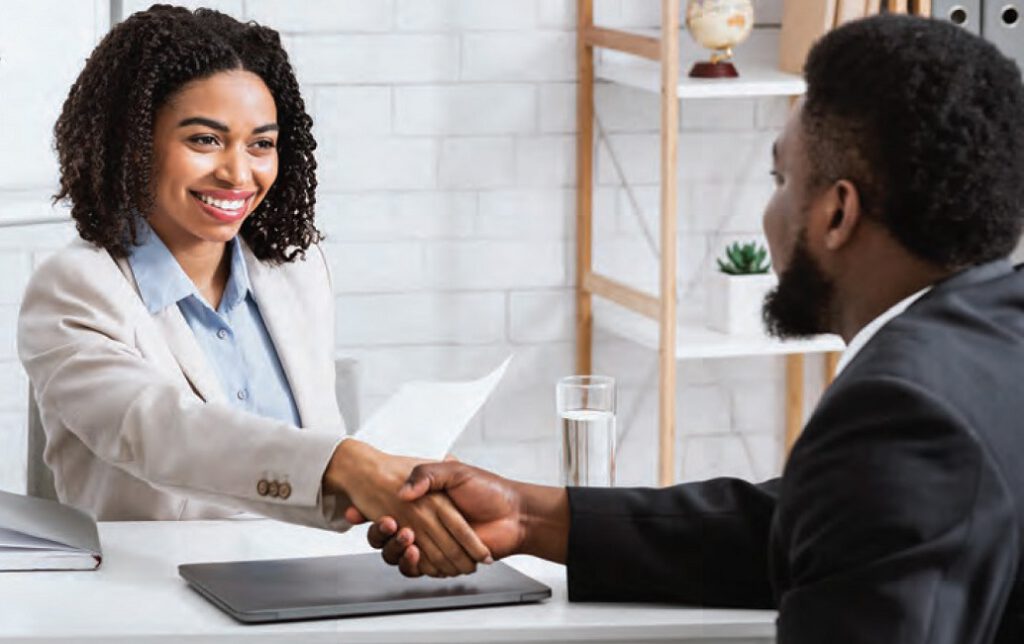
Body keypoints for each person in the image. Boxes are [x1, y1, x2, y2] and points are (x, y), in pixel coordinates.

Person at [358, 15, 1024, 642]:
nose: (769, 213)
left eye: (780, 178)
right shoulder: (996, 340)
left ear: (836, 213)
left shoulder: (904, 411)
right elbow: (812, 530)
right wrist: (529, 515)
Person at [17, 5, 488, 578]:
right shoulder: (75, 289)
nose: (239, 175)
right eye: (205, 140)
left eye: (261, 144)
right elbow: (161, 431)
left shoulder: (295, 269)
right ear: (133, 142)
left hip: (314, 580)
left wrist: (403, 489)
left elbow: (325, 460)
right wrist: (346, 465)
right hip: (155, 598)